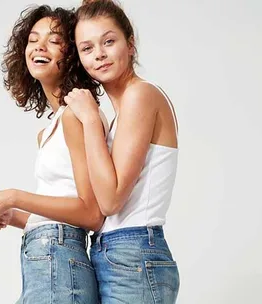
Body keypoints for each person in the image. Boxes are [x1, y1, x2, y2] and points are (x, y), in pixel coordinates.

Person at [0, 5, 109, 304]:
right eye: (33, 39)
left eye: (54, 41)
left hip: (56, 260)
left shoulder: (76, 117)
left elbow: (91, 213)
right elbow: (62, 207)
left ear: (72, 55)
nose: (39, 47)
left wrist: (14, 196)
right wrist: (15, 217)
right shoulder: (51, 128)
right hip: (45, 258)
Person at [63, 0, 180, 303]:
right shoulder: (121, 112)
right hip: (116, 252)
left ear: (130, 44)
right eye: (87, 48)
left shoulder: (141, 95)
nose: (99, 54)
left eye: (109, 41)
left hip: (134, 253)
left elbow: (111, 199)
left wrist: (89, 118)